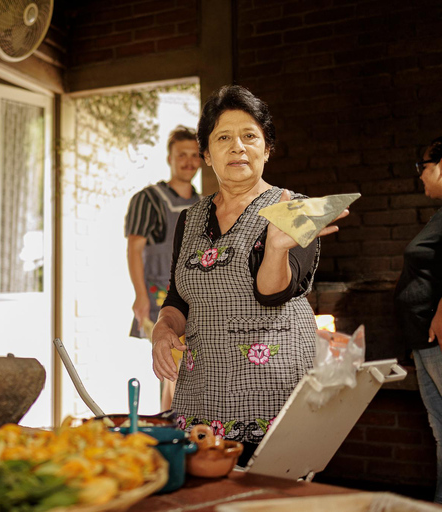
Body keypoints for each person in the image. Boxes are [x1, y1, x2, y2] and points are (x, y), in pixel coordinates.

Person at [150, 85, 347, 463]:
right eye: (223, 137)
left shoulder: (296, 208)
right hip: (204, 386)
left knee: (269, 496)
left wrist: (275, 247)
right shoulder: (189, 219)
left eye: (249, 136)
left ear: (267, 148)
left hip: (274, 386)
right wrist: (163, 329)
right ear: (207, 153)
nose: (237, 146)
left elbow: (272, 294)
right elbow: (179, 297)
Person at [125, 126, 201, 411]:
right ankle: (169, 422)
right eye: (182, 154)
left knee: (189, 365)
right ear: (169, 158)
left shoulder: (204, 204)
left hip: (194, 295)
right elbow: (134, 248)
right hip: (160, 294)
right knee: (170, 363)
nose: (188, 161)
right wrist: (140, 295)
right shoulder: (148, 199)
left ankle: (177, 422)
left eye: (195, 155)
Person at [395, 136, 442, 504]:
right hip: (423, 339)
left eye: (423, 167)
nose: (420, 176)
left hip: (438, 336)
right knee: (440, 428)